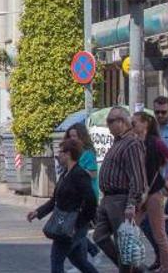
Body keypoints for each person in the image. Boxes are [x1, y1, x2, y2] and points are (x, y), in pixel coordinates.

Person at [27, 138, 99, 273]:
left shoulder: (79, 174)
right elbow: (55, 200)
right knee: (79, 261)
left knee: (56, 260)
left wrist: (78, 223)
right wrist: (38, 212)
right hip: (65, 225)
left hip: (71, 227)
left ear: (68, 154)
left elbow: (91, 201)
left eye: (60, 152)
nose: (58, 155)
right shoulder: (65, 174)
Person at [92, 107, 146, 273]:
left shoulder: (131, 144)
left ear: (122, 122)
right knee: (99, 235)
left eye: (110, 122)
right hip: (108, 198)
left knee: (124, 243)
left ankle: (130, 269)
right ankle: (135, 269)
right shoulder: (118, 142)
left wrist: (131, 203)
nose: (108, 126)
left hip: (120, 199)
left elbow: (137, 178)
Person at [133, 111, 168, 273]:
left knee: (159, 234)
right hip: (139, 193)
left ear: (145, 124)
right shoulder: (134, 142)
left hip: (154, 192)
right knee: (131, 229)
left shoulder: (155, 142)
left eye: (135, 122)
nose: (133, 126)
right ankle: (133, 265)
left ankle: (166, 268)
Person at [64, 123, 98, 197]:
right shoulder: (70, 154)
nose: (71, 139)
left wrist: (75, 171)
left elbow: (93, 174)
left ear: (82, 137)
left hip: (87, 194)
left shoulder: (88, 153)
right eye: (70, 136)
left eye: (74, 136)